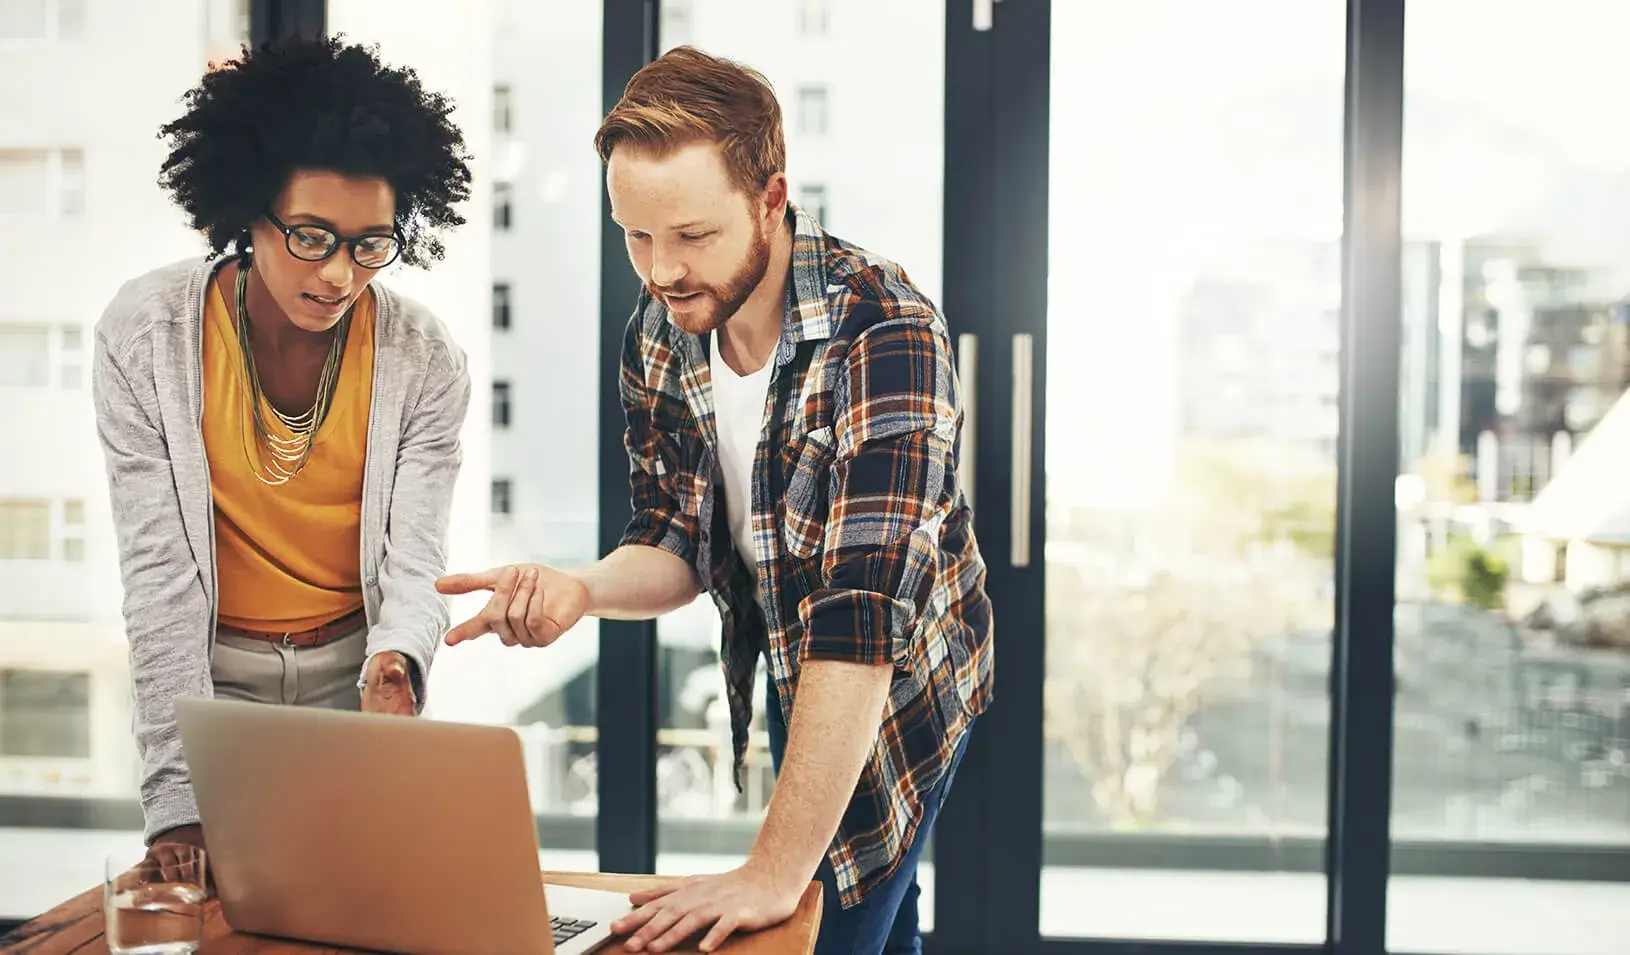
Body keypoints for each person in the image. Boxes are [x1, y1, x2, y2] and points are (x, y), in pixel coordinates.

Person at [436, 46, 993, 955]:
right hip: (792, 657)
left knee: (822, 917)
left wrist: (772, 871)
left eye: (693, 236)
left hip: (906, 678)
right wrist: (583, 590)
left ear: (771, 199)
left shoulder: (885, 334)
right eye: (637, 237)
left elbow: (859, 630)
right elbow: (674, 540)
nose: (661, 271)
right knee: (872, 922)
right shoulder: (662, 328)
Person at [93, 36, 473, 870]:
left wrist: (397, 662)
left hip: (356, 672)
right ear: (247, 213)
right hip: (213, 684)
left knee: (360, 900)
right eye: (311, 236)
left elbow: (416, 560)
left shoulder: (424, 358)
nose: (339, 274)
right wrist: (174, 800)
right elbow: (158, 579)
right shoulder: (147, 333)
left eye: (371, 244)